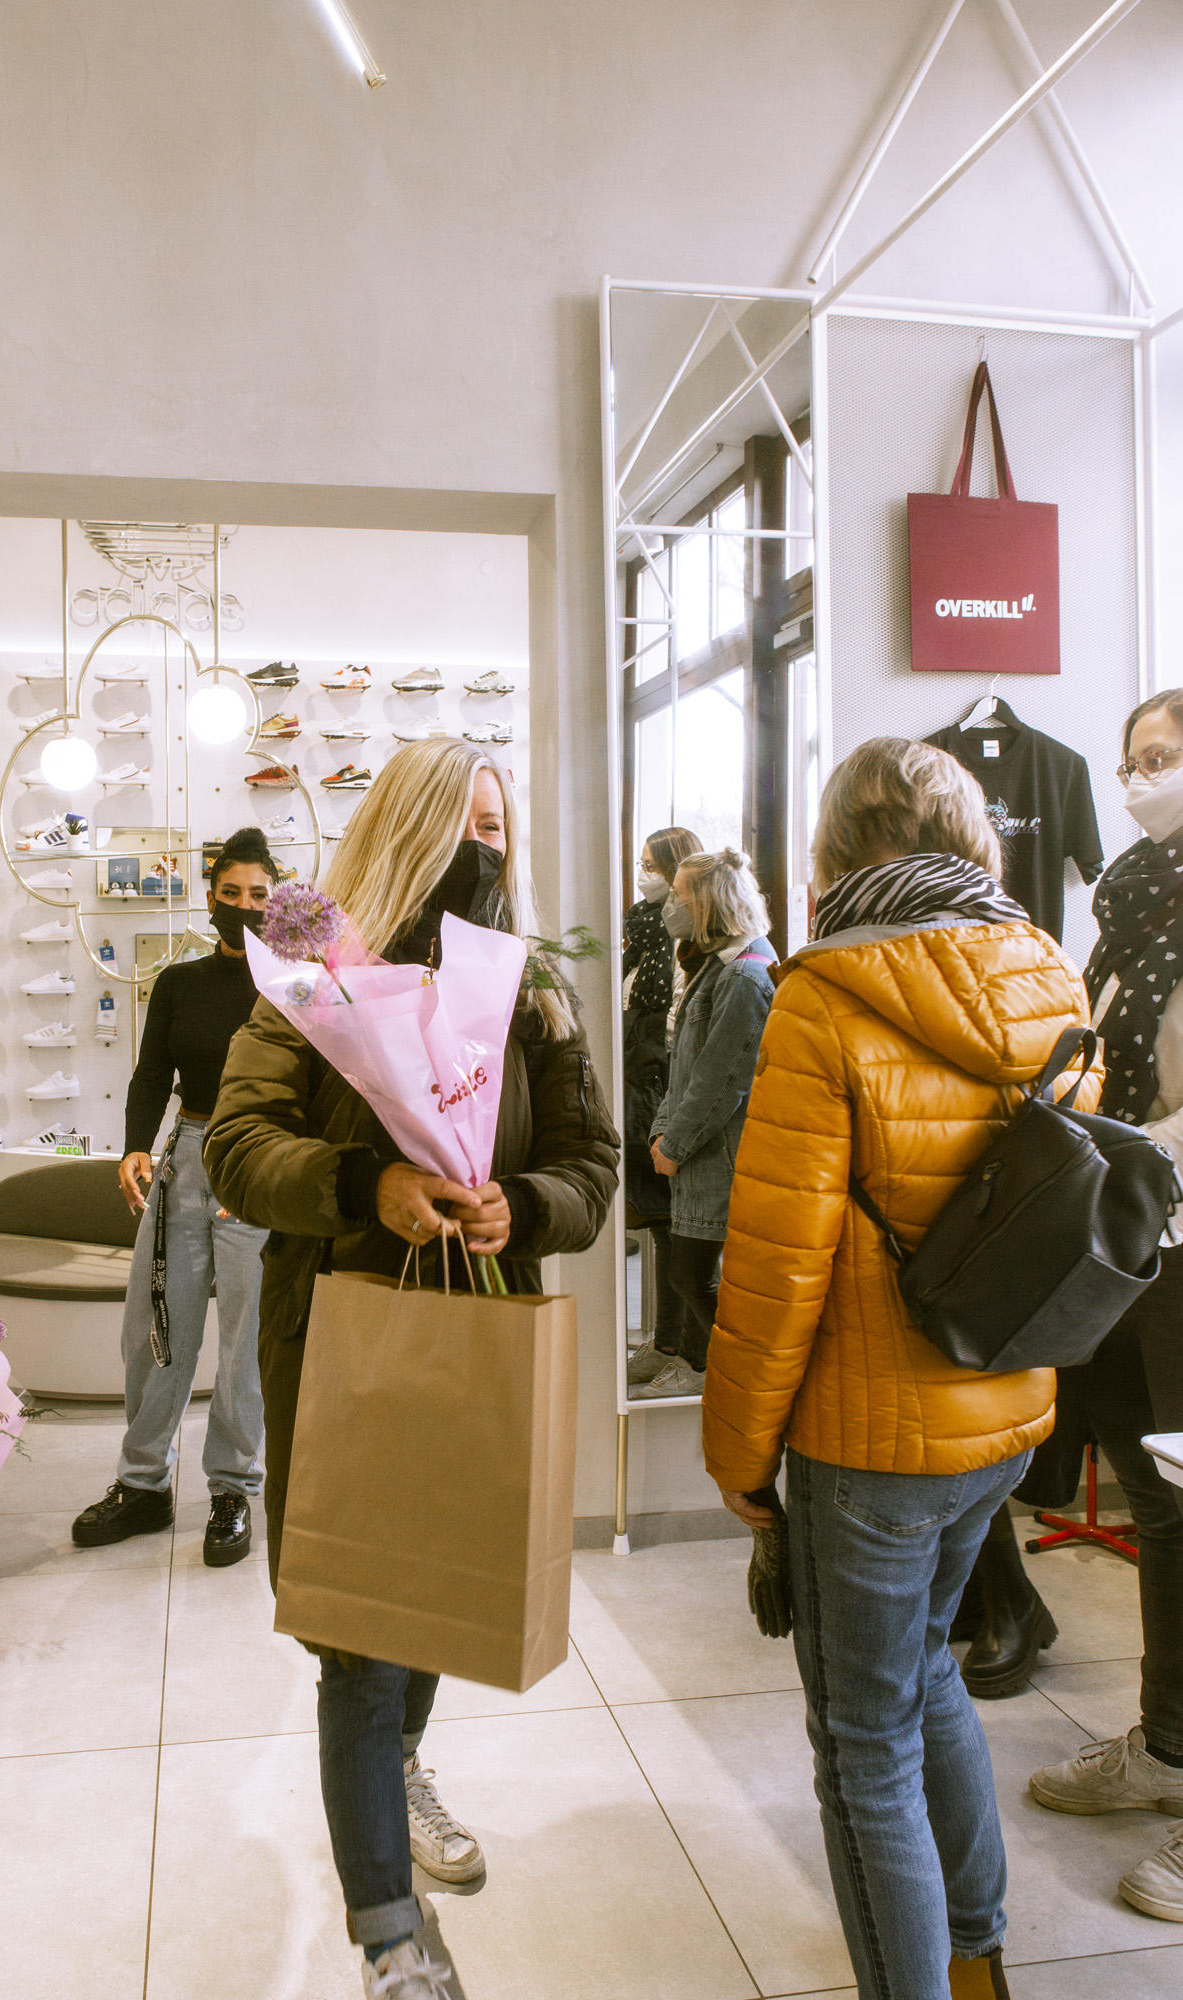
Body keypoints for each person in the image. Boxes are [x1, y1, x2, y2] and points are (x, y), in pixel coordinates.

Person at [203, 738, 618, 2000]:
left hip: (478, 1335)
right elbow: (237, 1145)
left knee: (436, 1585)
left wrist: (521, 1205)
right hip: (345, 1335)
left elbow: (592, 1162)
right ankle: (390, 1936)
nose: (481, 851)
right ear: (405, 832)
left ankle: (400, 1764)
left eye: (496, 829)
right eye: (460, 827)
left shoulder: (534, 989)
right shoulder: (310, 979)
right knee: (360, 1632)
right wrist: (361, 1183)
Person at [703, 738, 1093, 2000]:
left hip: (865, 1437)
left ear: (833, 847)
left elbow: (777, 1265)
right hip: (1008, 1407)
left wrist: (737, 1455)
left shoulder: (823, 995)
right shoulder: (1046, 970)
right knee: (926, 1674)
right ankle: (976, 1963)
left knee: (861, 1742)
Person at [1025, 689, 1183, 1925]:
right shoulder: (1130, 904)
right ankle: (1169, 1744)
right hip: (1134, 1238)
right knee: (1154, 1495)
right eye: (1131, 759)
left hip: (1173, 1220)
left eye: (1165, 756)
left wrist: (1133, 1153)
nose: (1140, 777)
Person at [70, 827, 276, 1567]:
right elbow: (152, 1072)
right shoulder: (179, 984)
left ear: (277, 901)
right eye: (231, 893)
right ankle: (143, 1484)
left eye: (258, 895)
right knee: (155, 1328)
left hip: (261, 1159)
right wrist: (135, 1144)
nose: (244, 906)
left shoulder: (295, 984)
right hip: (186, 1159)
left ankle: (232, 1489)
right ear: (210, 895)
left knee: (247, 1340)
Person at [634, 847, 774, 1398]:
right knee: (690, 1272)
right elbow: (685, 1067)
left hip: (720, 1158)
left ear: (709, 903)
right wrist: (662, 1132)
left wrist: (675, 1143)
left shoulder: (744, 975)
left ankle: (729, 1375)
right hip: (700, 1153)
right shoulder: (717, 967)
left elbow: (722, 1078)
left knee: (692, 1276)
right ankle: (702, 1368)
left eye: (680, 896)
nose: (671, 904)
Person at [622, 823, 701, 1388]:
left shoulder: (684, 939)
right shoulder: (640, 930)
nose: (642, 875)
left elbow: (678, 1021)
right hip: (640, 1077)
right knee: (658, 1220)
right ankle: (667, 1340)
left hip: (663, 1080)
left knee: (676, 1222)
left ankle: (685, 1349)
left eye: (651, 865)